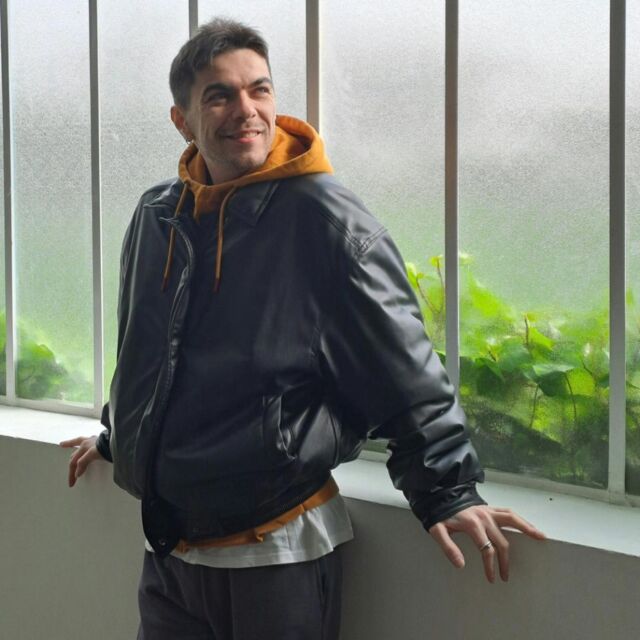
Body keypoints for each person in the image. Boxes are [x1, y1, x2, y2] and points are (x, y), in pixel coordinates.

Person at [61, 17, 545, 640]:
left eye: (259, 89)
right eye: (220, 95)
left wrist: (448, 491)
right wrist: (119, 435)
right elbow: (150, 347)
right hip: (170, 551)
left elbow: (402, 364)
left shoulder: (325, 219)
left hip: (275, 552)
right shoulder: (158, 214)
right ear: (182, 120)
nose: (247, 110)